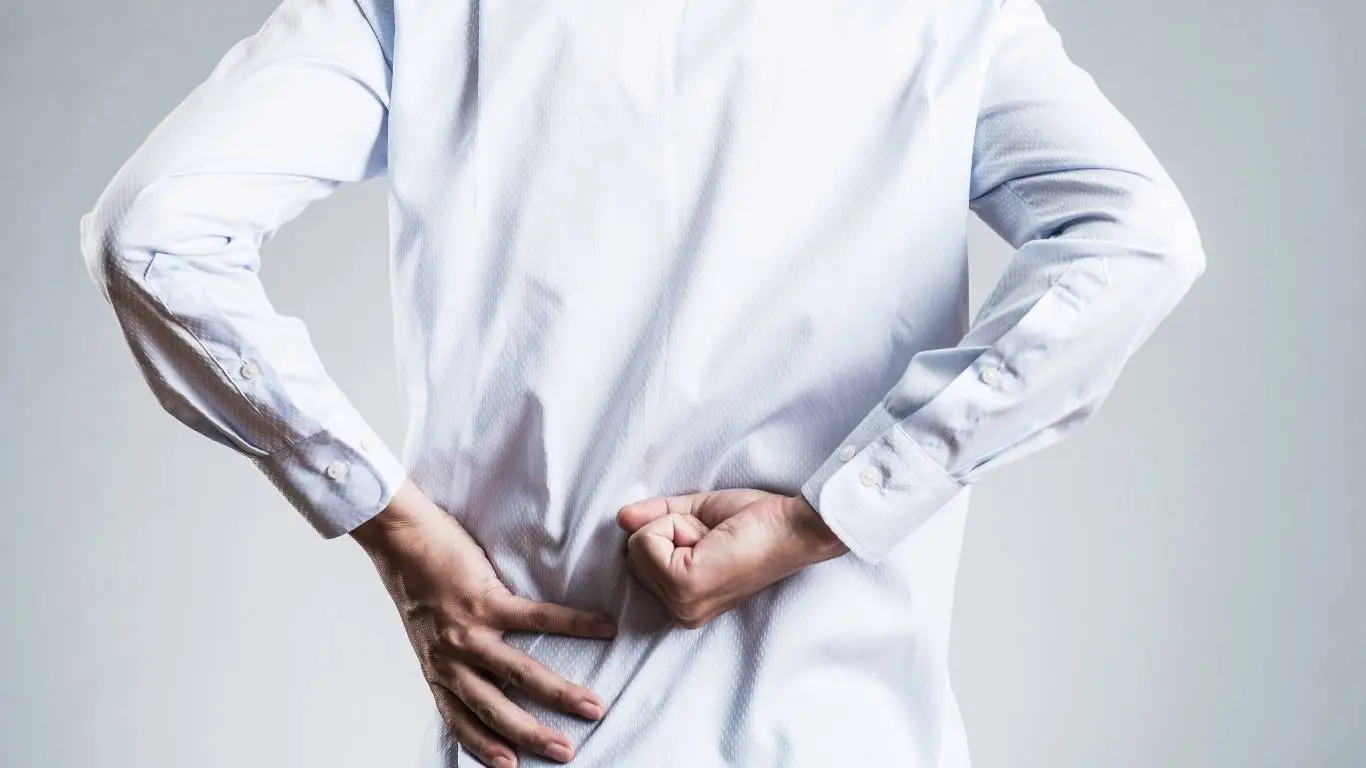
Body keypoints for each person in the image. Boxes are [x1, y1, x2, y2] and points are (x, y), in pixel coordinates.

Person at [78, 0, 1206, 765]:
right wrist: (836, 511)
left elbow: (153, 230)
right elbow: (1135, 241)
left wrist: (394, 526)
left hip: (547, 739)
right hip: (847, 736)